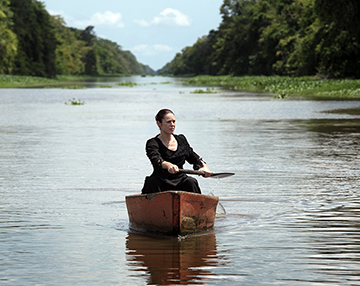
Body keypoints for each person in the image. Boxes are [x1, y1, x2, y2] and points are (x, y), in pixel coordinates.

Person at [141, 109, 211, 194]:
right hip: (160, 180)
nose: (172, 125)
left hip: (180, 180)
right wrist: (168, 165)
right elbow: (156, 160)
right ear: (159, 123)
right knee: (152, 182)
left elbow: (194, 157)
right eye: (168, 122)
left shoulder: (181, 139)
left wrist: (204, 167)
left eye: (174, 121)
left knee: (191, 182)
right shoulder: (152, 143)